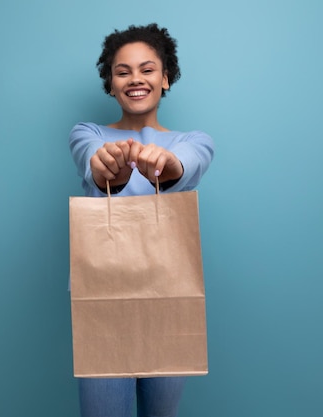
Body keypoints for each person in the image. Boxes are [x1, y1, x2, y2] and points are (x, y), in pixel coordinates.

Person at [69, 23, 214, 417]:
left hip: (169, 297)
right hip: (103, 301)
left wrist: (167, 165)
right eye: (123, 71)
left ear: (165, 79)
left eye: (147, 69)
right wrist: (111, 168)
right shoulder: (88, 133)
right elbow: (98, 163)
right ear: (110, 84)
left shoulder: (193, 140)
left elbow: (186, 163)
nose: (136, 79)